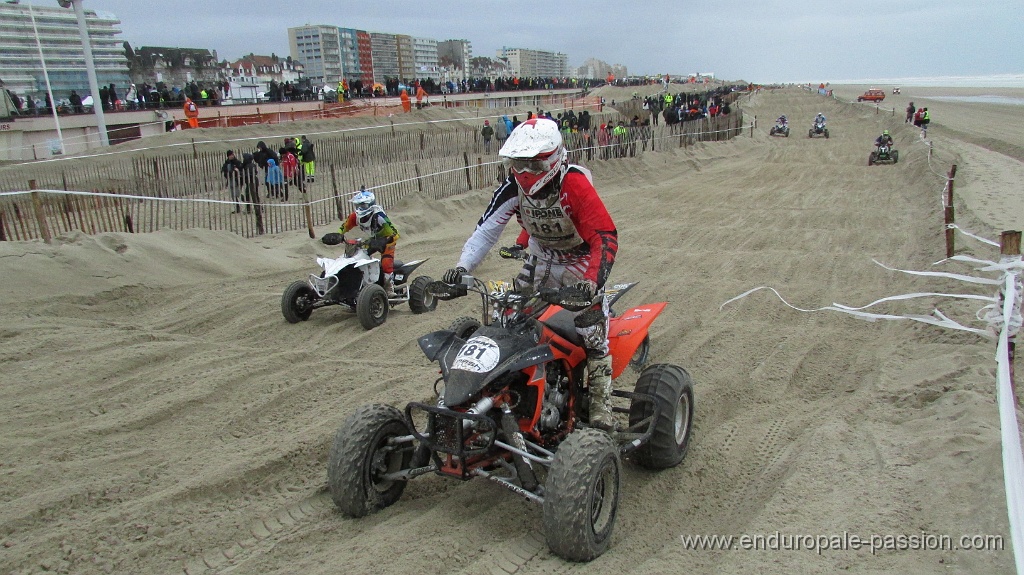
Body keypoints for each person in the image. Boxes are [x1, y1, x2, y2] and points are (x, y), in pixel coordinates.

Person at [442, 118, 619, 430]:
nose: (524, 174)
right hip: (540, 261)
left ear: (552, 159)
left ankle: (601, 405)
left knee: (592, 333)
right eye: (517, 164)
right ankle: (504, 390)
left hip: (579, 263)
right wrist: (462, 268)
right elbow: (486, 232)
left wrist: (592, 282)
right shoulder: (512, 188)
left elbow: (604, 237)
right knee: (508, 319)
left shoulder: (574, 184)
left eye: (533, 166)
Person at [338, 187, 400, 296]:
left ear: (371, 204)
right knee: (357, 257)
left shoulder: (379, 216)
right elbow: (344, 227)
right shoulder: (355, 217)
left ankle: (389, 287)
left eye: (363, 205)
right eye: (358, 205)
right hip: (371, 240)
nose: (360, 208)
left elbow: (395, 233)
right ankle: (360, 283)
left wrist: (384, 241)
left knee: (386, 262)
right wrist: (338, 235)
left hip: (386, 240)